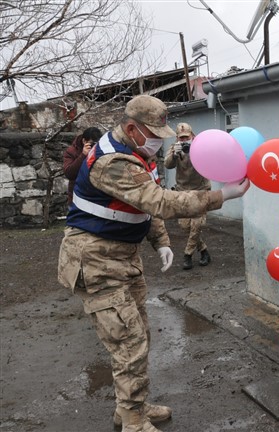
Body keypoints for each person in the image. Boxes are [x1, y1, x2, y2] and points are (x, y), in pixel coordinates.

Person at [57, 95, 250, 432]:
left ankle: (131, 407)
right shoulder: (113, 162)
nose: (161, 140)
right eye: (155, 133)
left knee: (139, 335)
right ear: (132, 128)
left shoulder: (134, 152)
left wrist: (160, 241)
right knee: (128, 341)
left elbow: (142, 204)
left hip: (121, 258)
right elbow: (158, 200)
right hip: (96, 260)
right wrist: (221, 196)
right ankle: (133, 421)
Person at [163, 122, 212, 270]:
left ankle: (187, 255)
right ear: (177, 138)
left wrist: (196, 152)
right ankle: (204, 251)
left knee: (196, 225)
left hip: (200, 190)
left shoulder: (200, 146)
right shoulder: (174, 148)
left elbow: (209, 162)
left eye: (187, 137)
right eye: (181, 138)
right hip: (183, 191)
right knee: (185, 226)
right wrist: (174, 155)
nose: (184, 141)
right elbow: (167, 164)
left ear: (192, 135)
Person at [62, 127, 103, 205]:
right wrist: (83, 155)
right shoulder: (71, 152)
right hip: (78, 198)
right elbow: (69, 174)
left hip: (96, 198)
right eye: (92, 143)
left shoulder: (100, 150)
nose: (94, 146)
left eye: (96, 143)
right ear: (84, 141)